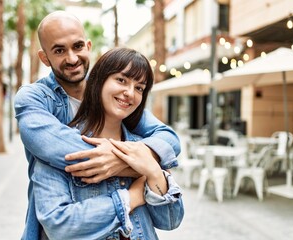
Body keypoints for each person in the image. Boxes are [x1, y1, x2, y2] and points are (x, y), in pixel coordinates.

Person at [14, 11, 181, 239]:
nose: (72, 58)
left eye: (78, 46)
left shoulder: (117, 98)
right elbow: (56, 149)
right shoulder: (34, 98)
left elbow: (168, 138)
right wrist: (136, 169)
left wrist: (148, 166)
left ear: (88, 46)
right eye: (59, 50)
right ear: (45, 58)